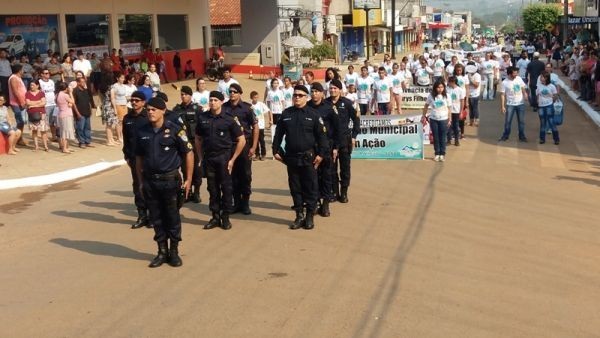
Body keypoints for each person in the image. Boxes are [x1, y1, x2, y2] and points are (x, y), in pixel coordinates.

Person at [135, 97, 193, 268]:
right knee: (156, 217)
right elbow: (138, 158)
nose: (150, 112)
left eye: (153, 109)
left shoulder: (175, 130)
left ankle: (174, 252)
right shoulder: (142, 131)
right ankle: (161, 251)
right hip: (150, 182)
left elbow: (188, 153)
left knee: (172, 217)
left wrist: (188, 178)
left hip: (170, 181)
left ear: (163, 111)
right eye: (148, 110)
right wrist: (140, 181)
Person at [272, 85, 328, 230]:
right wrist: (275, 150)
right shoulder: (286, 114)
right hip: (291, 157)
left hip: (308, 157)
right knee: (295, 187)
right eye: (295, 95)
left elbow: (322, 137)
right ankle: (299, 215)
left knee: (310, 187)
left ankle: (310, 215)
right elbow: (278, 134)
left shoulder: (313, 114)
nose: (297, 97)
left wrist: (321, 154)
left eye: (300, 95)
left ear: (306, 97)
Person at [195, 91, 246, 230]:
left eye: (215, 100)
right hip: (209, 158)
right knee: (212, 188)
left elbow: (241, 140)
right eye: (210, 100)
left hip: (224, 158)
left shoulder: (229, 119)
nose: (212, 102)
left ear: (222, 102)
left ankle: (225, 217)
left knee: (226, 188)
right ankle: (215, 216)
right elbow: (198, 138)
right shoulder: (203, 117)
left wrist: (233, 159)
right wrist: (200, 157)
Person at [224, 83, 258, 215]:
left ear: (239, 93)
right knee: (231, 175)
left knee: (245, 174)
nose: (232, 94)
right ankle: (236, 202)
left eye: (235, 91)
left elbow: (255, 127)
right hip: (229, 145)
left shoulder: (247, 109)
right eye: (230, 91)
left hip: (244, 145)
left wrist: (254, 146)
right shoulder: (224, 108)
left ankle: (245, 203)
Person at [308, 82, 340, 215]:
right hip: (311, 147)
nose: (314, 94)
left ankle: (325, 204)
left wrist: (336, 148)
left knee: (326, 176)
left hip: (326, 147)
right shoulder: (307, 106)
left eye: (317, 91)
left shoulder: (329, 108)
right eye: (313, 91)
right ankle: (315, 202)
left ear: (322, 93)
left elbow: (338, 129)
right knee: (313, 177)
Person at [326, 79, 360, 203]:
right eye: (331, 88)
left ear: (340, 90)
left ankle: (344, 192)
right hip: (330, 142)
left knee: (345, 168)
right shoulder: (325, 103)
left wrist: (354, 136)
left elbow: (356, 119)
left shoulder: (347, 103)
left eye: (335, 88)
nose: (332, 90)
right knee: (331, 168)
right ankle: (335, 192)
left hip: (345, 140)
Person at [123, 91, 151, 229]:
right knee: (138, 187)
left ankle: (153, 216)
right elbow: (126, 140)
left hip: (149, 158)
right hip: (134, 158)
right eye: (132, 100)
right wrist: (127, 156)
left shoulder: (148, 117)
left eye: (137, 100)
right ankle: (142, 215)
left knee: (150, 187)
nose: (134, 102)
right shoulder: (127, 118)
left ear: (143, 102)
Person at [172, 85, 203, 203]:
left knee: (197, 169)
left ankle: (197, 192)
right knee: (185, 168)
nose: (183, 96)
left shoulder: (197, 109)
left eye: (186, 94)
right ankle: (187, 191)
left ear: (191, 95)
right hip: (183, 143)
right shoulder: (176, 110)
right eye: (182, 94)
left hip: (195, 142)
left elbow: (202, 126)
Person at [422, 79, 452, 162]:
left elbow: (449, 108)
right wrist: (423, 116)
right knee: (436, 137)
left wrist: (450, 119)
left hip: (444, 119)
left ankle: (442, 154)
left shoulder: (447, 96)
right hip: (434, 119)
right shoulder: (431, 96)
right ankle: (437, 153)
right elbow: (426, 106)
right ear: (435, 88)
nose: (440, 89)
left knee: (443, 137)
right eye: (438, 87)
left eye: (442, 87)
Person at [499, 67, 529, 142]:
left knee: (521, 121)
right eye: (514, 73)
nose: (516, 74)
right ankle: (505, 136)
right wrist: (502, 106)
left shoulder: (519, 79)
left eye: (516, 73)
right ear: (509, 74)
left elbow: (522, 87)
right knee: (508, 121)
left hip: (520, 103)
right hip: (510, 104)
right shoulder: (504, 83)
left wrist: (525, 94)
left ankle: (522, 136)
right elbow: (502, 95)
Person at [536, 72, 560, 145]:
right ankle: (542, 139)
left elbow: (555, 96)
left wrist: (551, 101)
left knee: (551, 122)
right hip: (541, 107)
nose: (540, 78)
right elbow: (537, 95)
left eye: (542, 77)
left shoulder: (552, 86)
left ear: (546, 78)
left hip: (549, 106)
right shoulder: (539, 86)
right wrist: (538, 101)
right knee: (542, 123)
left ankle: (556, 139)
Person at [25, 79, 48, 151]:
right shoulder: (27, 93)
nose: (31, 86)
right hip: (32, 114)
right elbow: (28, 103)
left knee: (43, 131)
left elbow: (44, 103)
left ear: (37, 86)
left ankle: (45, 146)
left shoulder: (41, 93)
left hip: (41, 114)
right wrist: (38, 102)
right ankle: (36, 146)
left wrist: (33, 105)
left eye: (33, 85)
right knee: (34, 131)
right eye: (31, 85)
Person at [72, 76, 95, 148]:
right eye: (82, 82)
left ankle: (88, 141)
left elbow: (89, 102)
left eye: (84, 82)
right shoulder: (75, 91)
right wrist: (77, 113)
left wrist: (90, 110)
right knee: (80, 128)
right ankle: (81, 142)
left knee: (87, 128)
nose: (83, 83)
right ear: (78, 83)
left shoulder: (86, 90)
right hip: (80, 113)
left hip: (87, 112)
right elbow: (74, 104)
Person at [8, 64, 27, 145]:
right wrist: (21, 101)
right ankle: (17, 139)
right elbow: (15, 91)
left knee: (22, 121)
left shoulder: (18, 78)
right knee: (20, 121)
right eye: (22, 69)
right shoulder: (13, 78)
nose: (23, 71)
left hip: (20, 102)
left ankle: (19, 138)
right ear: (19, 70)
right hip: (16, 103)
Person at [55, 82, 76, 153]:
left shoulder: (57, 94)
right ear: (66, 88)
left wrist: (68, 103)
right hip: (66, 114)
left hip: (61, 113)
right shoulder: (65, 95)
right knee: (65, 132)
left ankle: (66, 147)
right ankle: (64, 148)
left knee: (63, 131)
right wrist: (70, 93)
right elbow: (73, 101)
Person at [446, 76, 466, 147]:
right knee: (449, 126)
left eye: (449, 82)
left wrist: (461, 112)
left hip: (456, 111)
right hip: (449, 111)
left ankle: (457, 140)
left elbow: (462, 101)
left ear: (453, 82)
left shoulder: (460, 90)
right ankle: (448, 140)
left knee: (456, 126)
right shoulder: (447, 89)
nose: (448, 83)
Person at [250, 90, 269, 160]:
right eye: (254, 97)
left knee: (262, 140)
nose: (256, 99)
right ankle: (257, 154)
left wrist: (269, 119)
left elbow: (267, 110)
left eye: (257, 97)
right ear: (251, 98)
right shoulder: (250, 105)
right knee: (255, 141)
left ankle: (263, 154)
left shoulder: (261, 104)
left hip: (261, 125)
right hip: (253, 126)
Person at [111, 72, 128, 144]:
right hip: (118, 105)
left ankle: (122, 135)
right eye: (121, 78)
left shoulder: (124, 86)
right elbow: (113, 98)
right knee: (119, 122)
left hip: (124, 104)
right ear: (117, 78)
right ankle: (119, 137)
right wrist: (114, 108)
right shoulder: (115, 86)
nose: (123, 79)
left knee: (123, 121)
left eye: (123, 78)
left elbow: (125, 96)